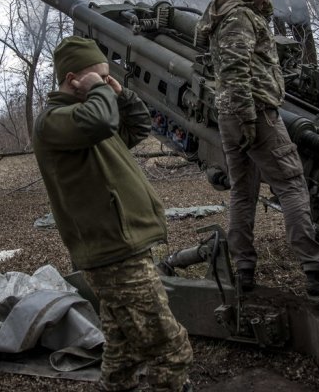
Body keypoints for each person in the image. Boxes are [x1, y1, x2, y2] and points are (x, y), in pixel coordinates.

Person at [32, 36, 192, 392]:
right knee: (169, 347)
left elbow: (137, 128)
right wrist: (100, 95)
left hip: (122, 244)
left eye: (107, 78)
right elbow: (101, 123)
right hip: (113, 250)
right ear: (72, 79)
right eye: (97, 77)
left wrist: (120, 94)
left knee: (123, 347)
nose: (104, 84)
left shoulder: (90, 118)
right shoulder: (56, 121)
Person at [197, 0, 319, 295]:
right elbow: (238, 70)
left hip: (232, 114)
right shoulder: (238, 17)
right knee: (293, 185)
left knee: (243, 191)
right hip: (256, 114)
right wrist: (250, 117)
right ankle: (315, 269)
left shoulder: (229, 14)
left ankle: (244, 270)